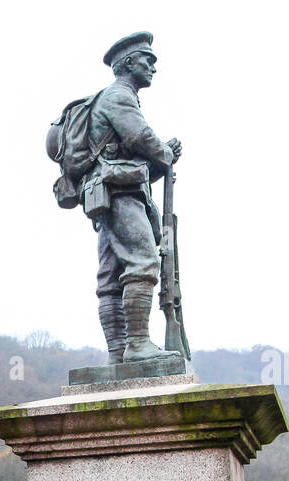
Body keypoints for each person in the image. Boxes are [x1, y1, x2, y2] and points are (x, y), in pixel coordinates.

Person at [85, 32, 184, 371]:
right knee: (142, 263)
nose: (153, 67)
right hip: (120, 196)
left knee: (111, 278)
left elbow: (131, 161)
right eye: (148, 60)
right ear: (129, 63)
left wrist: (161, 160)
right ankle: (137, 345)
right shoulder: (118, 96)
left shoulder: (116, 98)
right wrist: (164, 152)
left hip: (113, 193)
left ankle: (119, 352)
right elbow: (138, 137)